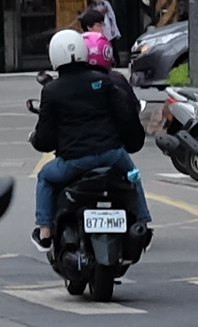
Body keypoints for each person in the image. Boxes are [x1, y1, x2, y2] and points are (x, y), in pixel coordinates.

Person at [29, 26, 145, 233]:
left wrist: (36, 140)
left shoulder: (51, 90)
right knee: (133, 176)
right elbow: (125, 115)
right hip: (112, 154)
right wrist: (132, 140)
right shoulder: (103, 81)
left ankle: (45, 228)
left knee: (45, 177)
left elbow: (45, 136)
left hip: (74, 160)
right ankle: (142, 221)